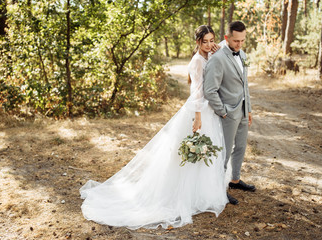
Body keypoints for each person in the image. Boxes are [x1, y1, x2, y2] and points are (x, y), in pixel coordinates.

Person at [79, 25, 228, 230]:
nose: (210, 44)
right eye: (206, 41)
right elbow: (196, 91)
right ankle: (182, 195)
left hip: (210, 110)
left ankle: (202, 194)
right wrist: (198, 117)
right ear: (198, 43)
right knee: (193, 152)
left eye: (212, 40)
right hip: (199, 111)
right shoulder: (196, 61)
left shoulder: (211, 55)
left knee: (206, 153)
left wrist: (217, 50)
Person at [203, 21, 256, 206]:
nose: (239, 44)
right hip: (228, 113)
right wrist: (223, 112)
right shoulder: (217, 58)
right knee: (223, 153)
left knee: (240, 147)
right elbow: (210, 90)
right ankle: (219, 190)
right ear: (226, 38)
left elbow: (245, 84)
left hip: (242, 110)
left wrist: (248, 108)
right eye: (235, 41)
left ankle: (235, 180)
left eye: (242, 40)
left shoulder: (243, 54)